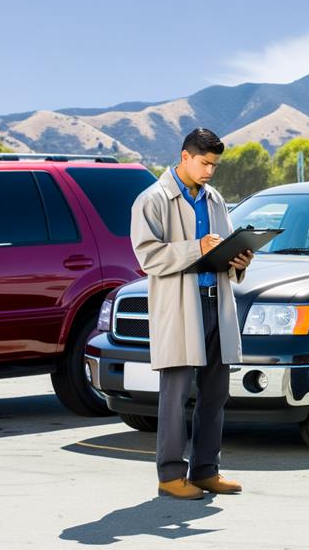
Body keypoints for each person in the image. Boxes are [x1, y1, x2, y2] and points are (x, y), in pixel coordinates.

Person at [131, 128, 253, 500]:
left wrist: (241, 259)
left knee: (215, 393)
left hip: (218, 302)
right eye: (204, 163)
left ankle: (205, 471)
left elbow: (227, 246)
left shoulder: (215, 199)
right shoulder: (152, 199)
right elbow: (148, 256)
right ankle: (170, 475)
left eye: (214, 165)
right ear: (185, 156)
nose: (210, 172)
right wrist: (196, 248)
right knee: (176, 393)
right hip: (180, 306)